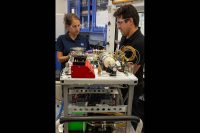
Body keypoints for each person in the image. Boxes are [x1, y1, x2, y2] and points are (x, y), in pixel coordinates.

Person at [113, 4, 144, 131]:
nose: (118, 26)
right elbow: (118, 60)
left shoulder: (140, 42)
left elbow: (129, 73)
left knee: (131, 126)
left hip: (131, 94)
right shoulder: (125, 38)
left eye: (120, 23)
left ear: (130, 21)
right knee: (120, 125)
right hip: (121, 91)